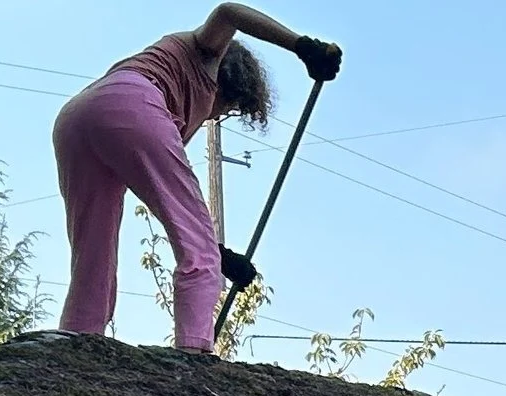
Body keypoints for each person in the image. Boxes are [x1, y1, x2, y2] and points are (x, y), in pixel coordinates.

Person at [54, 6, 341, 352]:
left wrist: (222, 254)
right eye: (229, 107)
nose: (218, 114)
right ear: (229, 86)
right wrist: (302, 46)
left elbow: (172, 206)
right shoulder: (208, 53)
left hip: (77, 116)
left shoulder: (170, 82)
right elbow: (228, 12)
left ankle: (76, 341)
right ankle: (194, 351)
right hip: (132, 104)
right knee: (198, 252)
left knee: (93, 250)